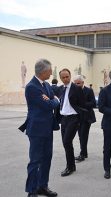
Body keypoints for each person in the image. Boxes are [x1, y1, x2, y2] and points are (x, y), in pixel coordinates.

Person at [21, 59, 59, 197]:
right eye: (50, 71)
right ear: (43, 71)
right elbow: (49, 105)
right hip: (36, 130)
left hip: (48, 128)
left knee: (47, 158)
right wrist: (54, 100)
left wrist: (52, 99)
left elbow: (51, 99)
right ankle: (32, 191)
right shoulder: (31, 87)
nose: (51, 73)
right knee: (35, 161)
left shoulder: (47, 84)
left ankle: (43, 186)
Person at [59, 68, 85, 177]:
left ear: (70, 76)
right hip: (63, 119)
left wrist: (80, 119)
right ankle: (72, 165)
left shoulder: (76, 88)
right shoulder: (60, 89)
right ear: (60, 78)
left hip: (73, 119)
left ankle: (69, 167)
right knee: (66, 143)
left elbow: (83, 104)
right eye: (63, 77)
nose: (65, 79)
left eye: (67, 77)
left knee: (66, 142)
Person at [73, 75, 96, 162]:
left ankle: (82, 154)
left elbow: (93, 103)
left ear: (83, 83)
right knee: (80, 136)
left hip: (87, 117)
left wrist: (81, 105)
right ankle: (84, 152)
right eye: (74, 83)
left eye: (78, 83)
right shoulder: (73, 91)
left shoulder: (89, 91)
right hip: (77, 117)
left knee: (83, 135)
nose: (76, 85)